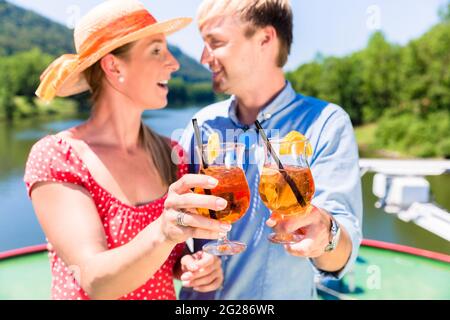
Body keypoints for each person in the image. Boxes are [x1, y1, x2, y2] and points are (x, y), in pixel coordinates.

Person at [24, 0, 228, 300]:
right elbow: (96, 282)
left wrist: (188, 264)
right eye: (156, 50)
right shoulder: (58, 156)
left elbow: (168, 250)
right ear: (113, 66)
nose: (174, 63)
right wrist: (163, 231)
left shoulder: (171, 154)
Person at [179, 0, 363, 299]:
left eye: (216, 43)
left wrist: (325, 236)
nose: (203, 57)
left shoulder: (326, 122)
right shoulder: (202, 125)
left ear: (265, 39)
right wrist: (186, 261)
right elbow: (180, 230)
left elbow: (339, 258)